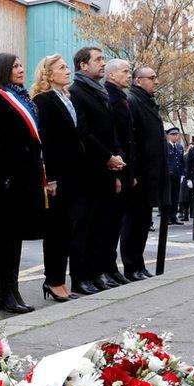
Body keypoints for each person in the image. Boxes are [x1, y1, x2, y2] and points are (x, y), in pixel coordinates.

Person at [0, 52, 44, 312]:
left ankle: (13, 290)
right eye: (15, 66)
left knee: (16, 237)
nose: (21, 69)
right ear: (2, 70)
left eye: (21, 64)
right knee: (6, 238)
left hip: (26, 176)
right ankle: (4, 292)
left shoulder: (23, 97)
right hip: (9, 177)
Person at [69, 47, 126, 294]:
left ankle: (95, 273)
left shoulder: (100, 91)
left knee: (100, 227)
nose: (103, 64)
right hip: (87, 170)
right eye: (98, 60)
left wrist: (114, 165)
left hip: (106, 170)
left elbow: (109, 131)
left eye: (104, 59)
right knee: (84, 227)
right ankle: (80, 277)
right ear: (83, 65)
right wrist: (107, 157)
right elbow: (83, 131)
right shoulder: (77, 92)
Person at [33, 54, 81, 302]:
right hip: (57, 176)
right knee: (56, 231)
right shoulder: (44, 100)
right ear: (48, 74)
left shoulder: (66, 99)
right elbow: (46, 142)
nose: (68, 71)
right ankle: (53, 280)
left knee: (67, 229)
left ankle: (60, 280)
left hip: (71, 174)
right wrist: (49, 178)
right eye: (62, 68)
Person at [123, 66, 165, 281]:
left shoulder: (147, 101)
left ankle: (138, 265)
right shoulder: (133, 101)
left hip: (149, 174)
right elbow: (132, 141)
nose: (156, 81)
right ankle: (131, 267)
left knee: (142, 223)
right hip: (139, 174)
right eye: (151, 78)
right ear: (138, 81)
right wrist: (134, 172)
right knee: (133, 222)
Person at [102, 58, 134, 287]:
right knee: (108, 223)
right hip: (114, 167)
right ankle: (105, 268)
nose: (129, 75)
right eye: (125, 71)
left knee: (114, 225)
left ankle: (111, 268)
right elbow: (113, 136)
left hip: (124, 167)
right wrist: (115, 174)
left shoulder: (121, 97)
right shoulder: (110, 97)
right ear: (111, 75)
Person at [166, 128, 185, 225]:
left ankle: (173, 217)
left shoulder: (179, 147)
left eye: (176, 134)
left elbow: (181, 162)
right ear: (168, 136)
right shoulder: (165, 146)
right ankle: (167, 217)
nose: (175, 136)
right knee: (168, 197)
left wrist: (182, 174)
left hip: (177, 175)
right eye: (173, 134)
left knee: (175, 197)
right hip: (169, 176)